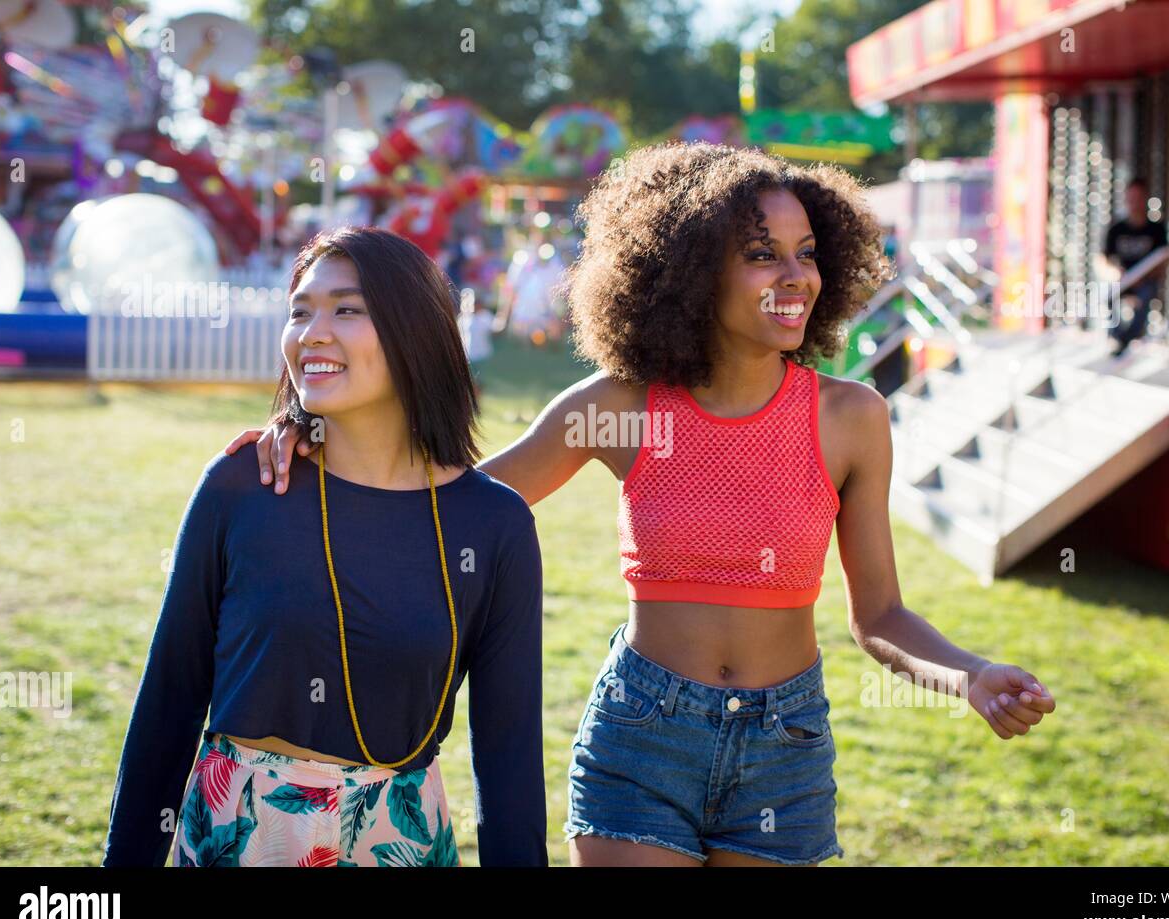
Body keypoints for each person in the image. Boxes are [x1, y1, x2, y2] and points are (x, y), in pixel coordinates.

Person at [227, 143, 1057, 867]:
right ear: (692, 269)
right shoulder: (620, 406)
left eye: (806, 253)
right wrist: (314, 438)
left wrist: (972, 675)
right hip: (643, 735)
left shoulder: (851, 419)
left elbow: (878, 615)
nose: (795, 275)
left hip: (787, 745)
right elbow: (454, 501)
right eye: (763, 254)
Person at [103, 226, 546, 867]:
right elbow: (168, 703)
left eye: (346, 309)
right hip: (242, 834)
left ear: (416, 329)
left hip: (401, 836)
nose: (311, 332)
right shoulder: (245, 485)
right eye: (300, 311)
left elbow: (509, 755)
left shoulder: (496, 524)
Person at [1098, 177, 1169, 356]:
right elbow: (1103, 258)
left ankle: (1127, 339)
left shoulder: (1157, 229)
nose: (1134, 203)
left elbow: (1164, 261)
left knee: (1147, 294)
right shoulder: (1117, 229)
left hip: (1146, 281)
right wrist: (1114, 273)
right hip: (1123, 280)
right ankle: (1116, 336)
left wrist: (1143, 276)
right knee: (1107, 294)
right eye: (1131, 198)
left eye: (1138, 198)